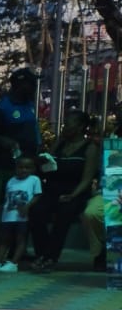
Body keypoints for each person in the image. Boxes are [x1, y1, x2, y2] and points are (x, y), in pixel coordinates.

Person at [30, 108, 99, 272]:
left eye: (69, 124)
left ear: (81, 126)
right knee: (36, 211)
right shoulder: (60, 144)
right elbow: (49, 165)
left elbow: (87, 179)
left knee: (65, 212)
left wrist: (72, 195)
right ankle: (44, 254)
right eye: (65, 124)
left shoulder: (90, 148)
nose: (65, 127)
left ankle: (50, 257)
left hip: (76, 191)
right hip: (53, 189)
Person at [0, 154, 41, 272]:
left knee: (20, 239)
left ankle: (14, 263)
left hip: (22, 217)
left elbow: (37, 195)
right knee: (4, 239)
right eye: (21, 167)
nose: (23, 170)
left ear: (33, 169)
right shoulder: (11, 181)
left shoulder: (34, 180)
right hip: (7, 216)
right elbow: (8, 199)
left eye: (27, 168)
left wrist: (27, 207)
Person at [0, 67, 42, 170]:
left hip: (29, 163)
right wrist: (3, 140)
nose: (35, 86)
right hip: (8, 164)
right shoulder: (3, 107)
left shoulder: (29, 104)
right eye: (32, 83)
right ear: (20, 85)